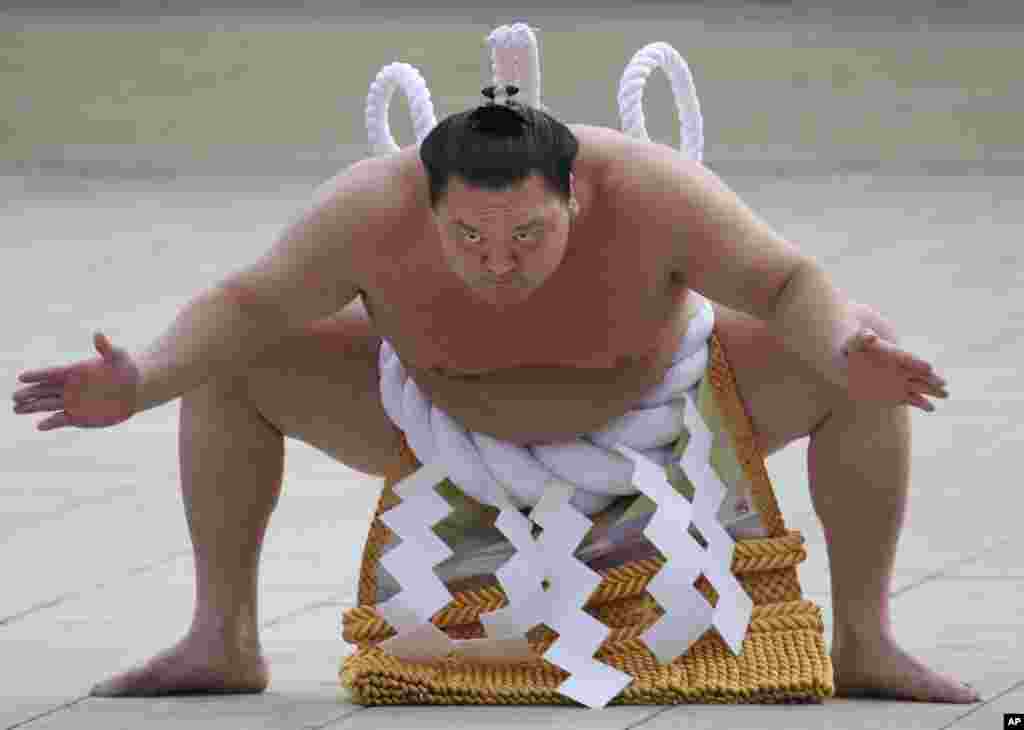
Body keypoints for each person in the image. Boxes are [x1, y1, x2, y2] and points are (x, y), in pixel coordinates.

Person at [12, 89, 974, 704]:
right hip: (438, 428)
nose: (498, 262)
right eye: (468, 236)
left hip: (664, 423)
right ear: (428, 206)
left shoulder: (651, 190)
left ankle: (865, 640)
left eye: (528, 234)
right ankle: (221, 640)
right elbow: (248, 301)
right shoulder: (369, 209)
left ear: (576, 199)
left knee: (863, 353)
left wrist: (845, 343)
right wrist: (140, 379)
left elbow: (783, 284)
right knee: (234, 358)